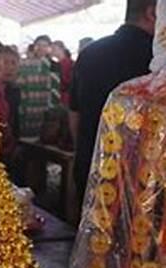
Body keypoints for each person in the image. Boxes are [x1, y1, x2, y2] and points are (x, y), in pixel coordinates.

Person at [70, 0, 156, 206]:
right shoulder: (157, 61)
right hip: (143, 180)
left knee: (90, 234)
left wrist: (85, 152)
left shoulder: (90, 53)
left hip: (91, 168)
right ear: (153, 13)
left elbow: (74, 114)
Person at [17, 35, 58, 137]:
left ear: (50, 48)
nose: (41, 48)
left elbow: (55, 90)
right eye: (38, 45)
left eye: (44, 45)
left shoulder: (54, 65)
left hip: (45, 109)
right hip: (26, 108)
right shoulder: (23, 63)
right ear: (34, 46)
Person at [0, 45, 22, 140]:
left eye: (14, 63)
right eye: (5, 63)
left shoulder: (15, 90)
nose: (10, 67)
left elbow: (15, 122)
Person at [52, 41, 73, 106]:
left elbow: (67, 80)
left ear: (61, 49)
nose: (52, 51)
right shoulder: (58, 63)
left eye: (54, 49)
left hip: (66, 96)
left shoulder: (67, 63)